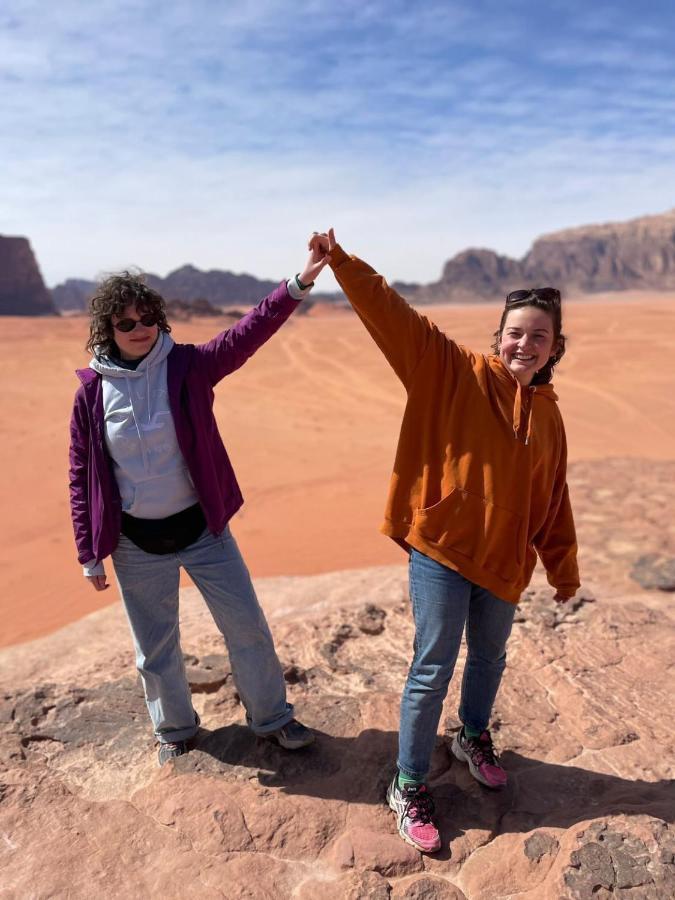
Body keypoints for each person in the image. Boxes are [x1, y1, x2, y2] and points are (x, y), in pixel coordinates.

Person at [310, 229, 580, 853]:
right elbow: (392, 316)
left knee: (489, 659)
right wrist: (344, 263)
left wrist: (562, 569)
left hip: (504, 563)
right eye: (516, 332)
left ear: (554, 347)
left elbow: (553, 496)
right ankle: (408, 783)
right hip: (442, 549)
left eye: (539, 335)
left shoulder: (549, 416)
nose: (525, 343)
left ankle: (472, 737)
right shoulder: (451, 371)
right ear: (499, 336)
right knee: (432, 667)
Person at [69, 244, 329, 766]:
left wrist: (298, 283)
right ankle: (175, 729)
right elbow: (81, 475)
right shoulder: (92, 393)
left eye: (146, 318)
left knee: (246, 627)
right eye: (125, 323)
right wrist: (89, 552)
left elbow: (246, 333)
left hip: (202, 531)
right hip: (135, 542)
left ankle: (272, 718)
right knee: (155, 648)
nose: (138, 328)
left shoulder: (187, 366)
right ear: (107, 331)